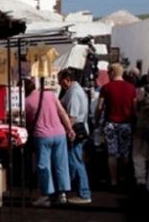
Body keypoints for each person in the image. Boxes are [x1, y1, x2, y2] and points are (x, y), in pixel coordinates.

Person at [25, 78, 76, 207]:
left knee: (43, 165)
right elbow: (62, 112)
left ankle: (46, 195)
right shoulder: (49, 94)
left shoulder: (26, 102)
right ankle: (62, 194)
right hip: (59, 133)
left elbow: (28, 122)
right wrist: (69, 129)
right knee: (61, 164)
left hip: (42, 135)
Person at [96, 63, 136, 189]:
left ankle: (113, 179)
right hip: (126, 123)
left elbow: (99, 107)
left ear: (112, 72)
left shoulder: (106, 87)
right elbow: (134, 108)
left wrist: (97, 120)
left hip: (111, 123)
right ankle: (123, 177)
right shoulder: (131, 88)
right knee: (124, 153)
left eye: (108, 72)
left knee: (112, 153)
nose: (107, 74)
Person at [58, 70, 91, 204]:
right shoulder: (74, 91)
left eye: (60, 81)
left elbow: (72, 117)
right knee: (75, 160)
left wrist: (65, 131)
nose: (60, 85)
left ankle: (84, 193)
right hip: (79, 129)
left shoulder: (74, 93)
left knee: (76, 161)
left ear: (67, 79)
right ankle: (79, 190)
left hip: (76, 130)